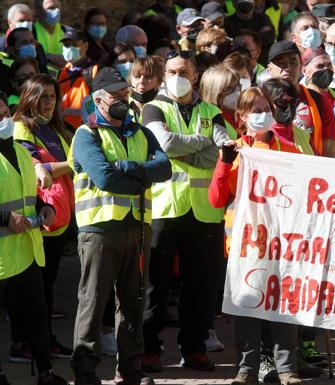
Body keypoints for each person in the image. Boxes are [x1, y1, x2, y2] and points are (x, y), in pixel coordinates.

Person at [69, 66, 171, 385]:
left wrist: (130, 167)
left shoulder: (140, 131)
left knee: (133, 302)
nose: (123, 100)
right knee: (93, 301)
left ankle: (130, 369)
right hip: (99, 231)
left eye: (125, 94)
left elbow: (164, 168)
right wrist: (141, 177)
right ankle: (85, 371)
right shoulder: (86, 135)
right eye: (116, 95)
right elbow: (104, 178)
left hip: (138, 229)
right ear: (98, 100)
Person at [140, 50, 233, 372]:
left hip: (205, 210)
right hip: (166, 208)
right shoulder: (153, 107)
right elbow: (164, 144)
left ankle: (193, 347)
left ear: (195, 75)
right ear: (165, 75)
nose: (177, 76)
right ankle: (148, 347)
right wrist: (201, 143)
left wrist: (188, 150)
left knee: (200, 284)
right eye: (172, 71)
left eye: (184, 71)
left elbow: (225, 151)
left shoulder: (213, 111)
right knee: (156, 284)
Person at [208, 87, 307, 385]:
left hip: (281, 242)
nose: (261, 114)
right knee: (247, 305)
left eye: (265, 108)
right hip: (244, 243)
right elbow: (215, 199)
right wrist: (225, 162)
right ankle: (246, 368)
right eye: (254, 110)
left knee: (281, 304)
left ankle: (287, 368)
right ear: (241, 116)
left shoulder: (288, 149)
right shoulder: (233, 150)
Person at [0, 91, 69, 385]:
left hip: (27, 249)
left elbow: (31, 194)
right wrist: (5, 219)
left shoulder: (19, 151)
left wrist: (45, 208)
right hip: (2, 254)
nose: (3, 118)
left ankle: (46, 373)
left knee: (36, 315)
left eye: (4, 111)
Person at [12, 73, 75, 360]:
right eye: (43, 96)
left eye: (53, 96)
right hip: (35, 218)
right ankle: (23, 343)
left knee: (45, 285)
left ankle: (44, 339)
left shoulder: (57, 128)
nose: (49, 102)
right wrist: (75, 163)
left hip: (58, 219)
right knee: (31, 288)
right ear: (29, 97)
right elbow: (38, 169)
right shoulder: (21, 128)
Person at [266, 40, 335, 158]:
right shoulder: (260, 100)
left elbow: (330, 150)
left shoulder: (319, 101)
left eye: (293, 61)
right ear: (269, 69)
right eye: (281, 62)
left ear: (301, 66)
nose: (288, 67)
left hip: (309, 172)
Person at [57, 29, 91, 129]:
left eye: (74, 44)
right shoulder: (61, 72)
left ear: (85, 46)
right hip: (63, 129)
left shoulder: (94, 70)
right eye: (66, 45)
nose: (70, 48)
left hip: (84, 129)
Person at [201, 64, 244, 134]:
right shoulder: (208, 120)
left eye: (238, 86)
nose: (237, 91)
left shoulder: (241, 115)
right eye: (229, 88)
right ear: (214, 92)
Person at [33, 0, 67, 69]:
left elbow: (73, 60)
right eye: (51, 8)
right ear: (39, 11)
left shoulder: (66, 31)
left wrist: (47, 57)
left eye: (58, 7)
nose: (57, 11)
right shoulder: (31, 32)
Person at [129, 56, 164, 121]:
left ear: (159, 82)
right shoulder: (121, 106)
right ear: (130, 80)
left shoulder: (166, 107)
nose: (141, 81)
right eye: (137, 76)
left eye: (148, 77)